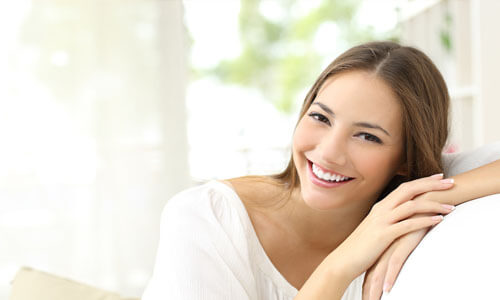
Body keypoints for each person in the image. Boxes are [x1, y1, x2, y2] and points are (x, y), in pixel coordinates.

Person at [142, 41, 500, 300]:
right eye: (320, 117)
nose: (328, 153)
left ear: (406, 159)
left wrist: (428, 196)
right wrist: (340, 264)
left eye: (367, 136)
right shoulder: (205, 216)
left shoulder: (409, 192)